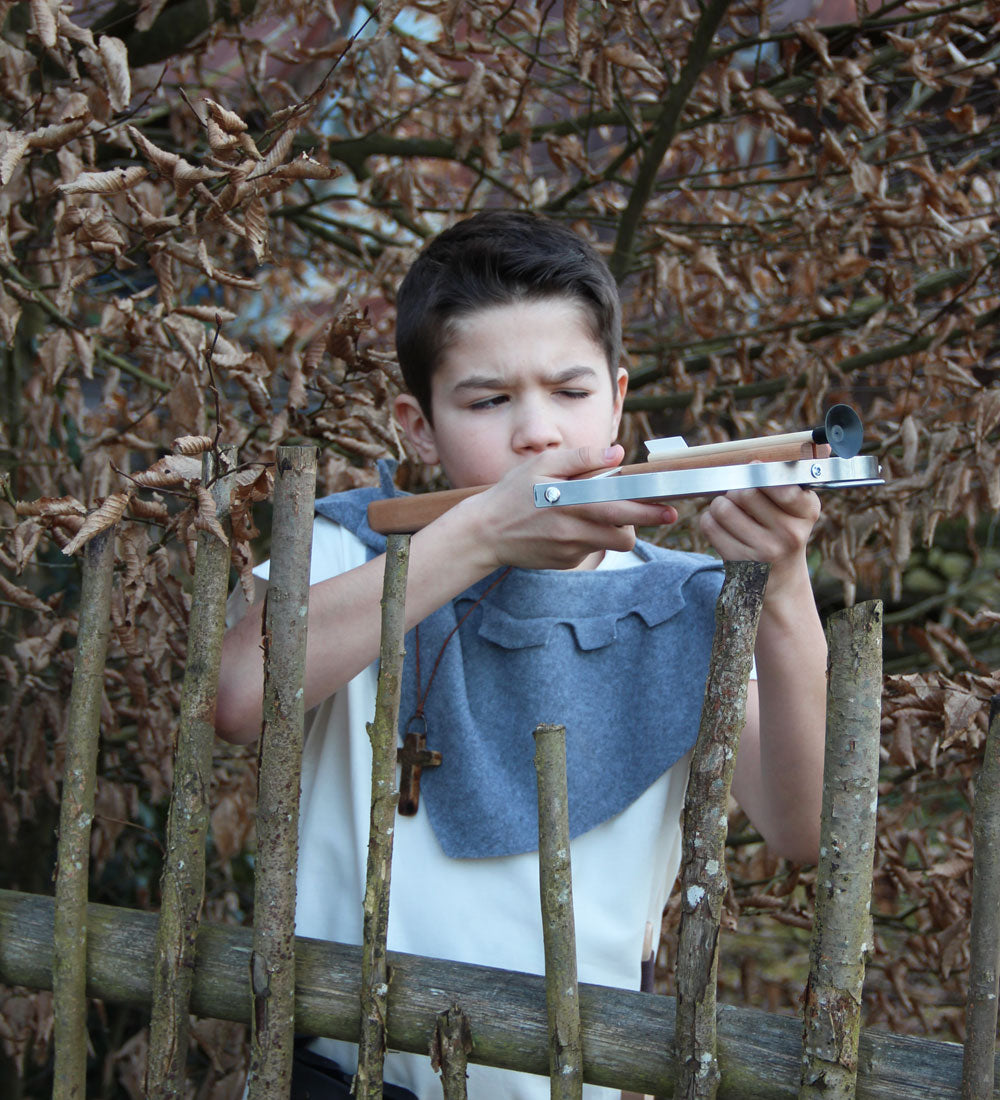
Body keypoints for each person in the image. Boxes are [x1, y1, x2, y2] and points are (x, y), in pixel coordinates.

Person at [215, 210, 828, 1099]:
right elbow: (237, 699)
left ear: (618, 399)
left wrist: (784, 585)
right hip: (340, 1074)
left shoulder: (690, 601)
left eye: (570, 392)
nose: (536, 431)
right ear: (417, 426)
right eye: (488, 399)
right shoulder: (350, 550)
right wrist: (478, 539)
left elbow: (802, 826)